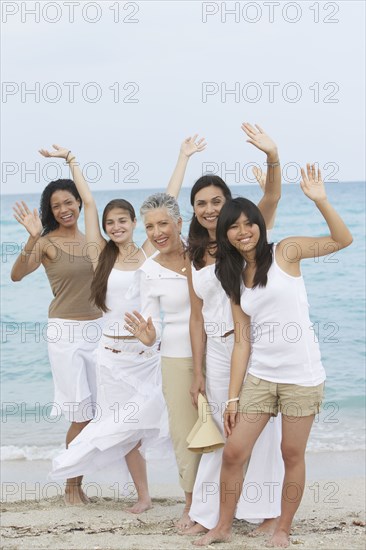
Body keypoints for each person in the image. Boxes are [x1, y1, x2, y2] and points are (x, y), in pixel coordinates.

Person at [194, 165, 353, 547]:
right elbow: (242, 342)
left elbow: (342, 239)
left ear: (259, 227)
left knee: (291, 452)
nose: (243, 231)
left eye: (250, 223)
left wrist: (320, 201)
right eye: (234, 226)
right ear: (226, 234)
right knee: (233, 452)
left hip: (301, 375)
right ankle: (222, 527)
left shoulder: (287, 251)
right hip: (260, 377)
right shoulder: (232, 276)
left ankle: (282, 528)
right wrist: (232, 397)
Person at [185, 122, 284, 535]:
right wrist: (198, 370)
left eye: (216, 201)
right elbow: (195, 317)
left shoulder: (243, 239)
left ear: (227, 205)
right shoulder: (191, 254)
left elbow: (273, 196)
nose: (209, 208)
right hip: (219, 354)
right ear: (193, 209)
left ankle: (266, 512)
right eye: (201, 202)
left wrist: (272, 157)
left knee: (261, 429)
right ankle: (204, 514)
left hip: (255, 348)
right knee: (223, 433)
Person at [11, 177, 102, 506]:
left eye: (69, 202)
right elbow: (17, 274)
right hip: (66, 334)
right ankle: (70, 487)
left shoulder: (93, 238)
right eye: (56, 206)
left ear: (80, 202)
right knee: (80, 413)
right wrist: (32, 237)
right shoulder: (46, 241)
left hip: (99, 330)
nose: (64, 209)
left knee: (95, 414)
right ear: (49, 212)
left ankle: (78, 483)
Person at [124, 192, 200, 529]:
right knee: (185, 434)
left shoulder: (204, 255)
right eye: (150, 226)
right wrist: (148, 337)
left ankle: (231, 499)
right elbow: (151, 324)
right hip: (176, 356)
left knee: (227, 429)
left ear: (179, 223)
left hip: (219, 354)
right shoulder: (149, 270)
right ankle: (191, 504)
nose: (157, 232)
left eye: (163, 223)